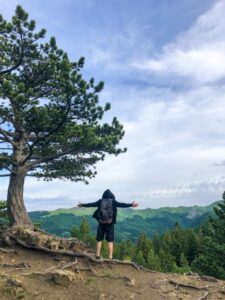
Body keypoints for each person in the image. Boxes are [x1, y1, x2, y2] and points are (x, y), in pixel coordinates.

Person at [77, 189, 138, 259]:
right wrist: (131, 204)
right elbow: (122, 204)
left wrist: (82, 205)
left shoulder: (100, 201)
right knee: (110, 241)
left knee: (99, 239)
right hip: (110, 223)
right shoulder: (113, 202)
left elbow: (91, 204)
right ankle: (110, 257)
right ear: (112, 196)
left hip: (101, 223)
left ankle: (97, 255)